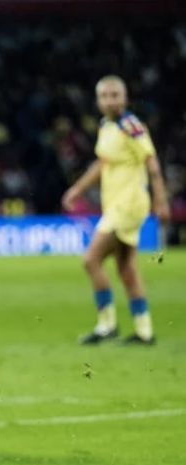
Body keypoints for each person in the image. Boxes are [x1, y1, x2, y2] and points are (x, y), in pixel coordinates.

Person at [62, 75, 169, 345]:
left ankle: (107, 324)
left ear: (125, 98)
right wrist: (77, 189)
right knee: (126, 268)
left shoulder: (130, 126)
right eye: (105, 96)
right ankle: (144, 331)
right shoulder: (106, 126)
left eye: (115, 95)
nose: (110, 100)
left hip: (128, 204)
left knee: (91, 260)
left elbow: (152, 163)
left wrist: (161, 200)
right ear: (98, 101)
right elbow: (102, 163)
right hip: (117, 204)